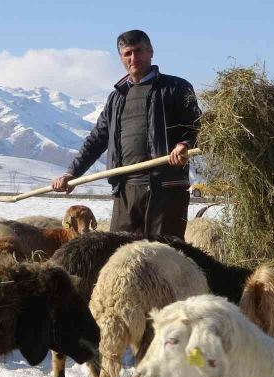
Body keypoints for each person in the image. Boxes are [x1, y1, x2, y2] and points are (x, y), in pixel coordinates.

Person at [51, 29, 201, 239]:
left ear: (150, 52)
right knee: (121, 254)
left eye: (138, 51)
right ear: (121, 57)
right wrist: (71, 174)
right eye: (127, 53)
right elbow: (97, 139)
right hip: (126, 190)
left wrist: (183, 144)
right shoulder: (117, 97)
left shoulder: (176, 87)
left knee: (166, 254)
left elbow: (196, 125)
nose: (134, 58)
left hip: (166, 189)